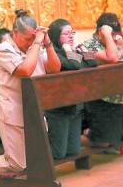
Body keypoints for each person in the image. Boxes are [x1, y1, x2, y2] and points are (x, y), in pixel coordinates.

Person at [0, 9, 61, 186]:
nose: (30, 43)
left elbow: (54, 68)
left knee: (35, 156)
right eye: (27, 39)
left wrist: (47, 44)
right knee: (17, 164)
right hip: (12, 111)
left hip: (34, 109)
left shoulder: (36, 45)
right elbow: (25, 71)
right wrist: (37, 42)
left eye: (33, 39)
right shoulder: (4, 49)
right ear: (15, 33)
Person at [82, 12, 123, 153]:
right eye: (111, 34)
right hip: (99, 98)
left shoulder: (112, 43)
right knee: (103, 142)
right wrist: (108, 36)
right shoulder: (87, 46)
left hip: (115, 95)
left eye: (115, 34)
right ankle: (84, 136)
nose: (115, 37)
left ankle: (96, 137)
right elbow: (113, 58)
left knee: (112, 141)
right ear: (101, 30)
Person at [45, 18, 97, 159]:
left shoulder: (71, 52)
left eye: (72, 33)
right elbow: (74, 65)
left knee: (73, 151)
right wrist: (68, 49)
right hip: (59, 108)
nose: (71, 36)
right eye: (66, 34)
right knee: (58, 153)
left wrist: (83, 49)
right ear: (56, 36)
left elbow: (93, 62)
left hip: (75, 106)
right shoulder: (53, 53)